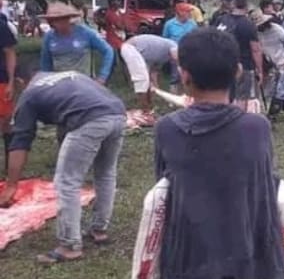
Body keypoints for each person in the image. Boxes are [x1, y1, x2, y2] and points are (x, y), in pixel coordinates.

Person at [153, 28, 284, 279]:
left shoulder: (166, 128)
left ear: (184, 75)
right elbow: (265, 182)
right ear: (238, 72)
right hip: (245, 262)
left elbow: (163, 189)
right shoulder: (257, 128)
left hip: (186, 263)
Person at [0, 67, 126, 264]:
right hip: (117, 113)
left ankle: (69, 246)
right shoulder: (63, 77)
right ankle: (99, 230)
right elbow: (65, 122)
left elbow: (20, 142)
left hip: (90, 119)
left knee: (67, 182)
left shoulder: (30, 94)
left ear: (19, 82)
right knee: (105, 173)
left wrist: (11, 185)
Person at [39, 2, 114, 83]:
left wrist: (102, 76)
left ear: (66, 19)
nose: (51, 23)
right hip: (59, 83)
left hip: (82, 83)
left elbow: (108, 51)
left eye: (55, 20)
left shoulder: (85, 32)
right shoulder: (49, 36)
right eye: (50, 20)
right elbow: (45, 63)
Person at [215, 0, 263, 110]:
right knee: (241, 97)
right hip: (244, 65)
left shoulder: (221, 20)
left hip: (221, 64)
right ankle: (237, 121)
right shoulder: (248, 24)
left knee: (224, 94)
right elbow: (255, 49)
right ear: (246, 5)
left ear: (233, 4)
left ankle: (223, 119)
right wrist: (260, 70)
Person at [119, 34, 179, 121]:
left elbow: (153, 72)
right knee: (142, 79)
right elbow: (177, 59)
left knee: (146, 81)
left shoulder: (163, 57)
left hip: (139, 53)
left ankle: (149, 109)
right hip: (130, 47)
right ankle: (146, 113)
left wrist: (156, 87)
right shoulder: (174, 45)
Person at [250, 10, 284, 116]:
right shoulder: (257, 33)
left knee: (281, 90)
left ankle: (273, 115)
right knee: (274, 89)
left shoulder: (277, 29)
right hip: (273, 63)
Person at [0, 13, 15, 170]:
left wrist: (11, 82)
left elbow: (10, 53)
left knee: (5, 121)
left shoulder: (2, 26)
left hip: (2, 80)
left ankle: (9, 164)